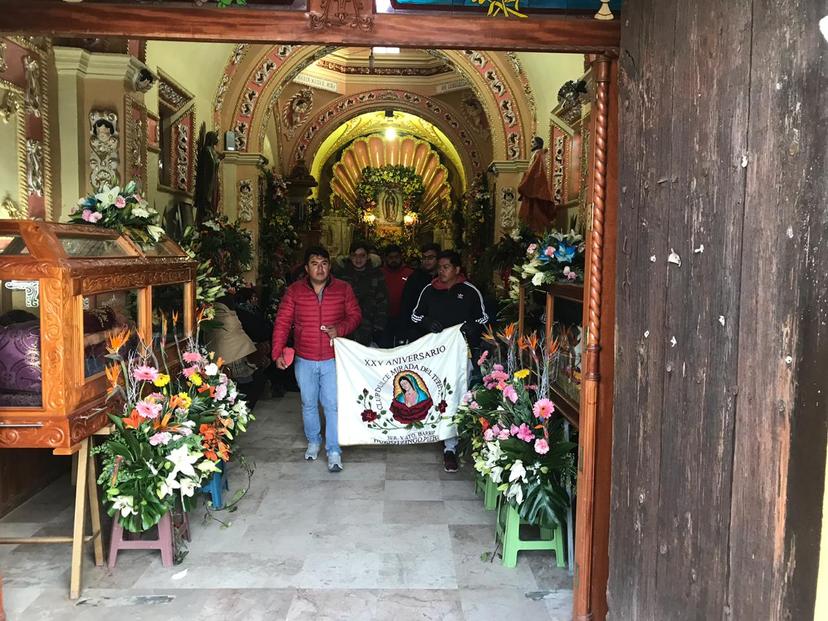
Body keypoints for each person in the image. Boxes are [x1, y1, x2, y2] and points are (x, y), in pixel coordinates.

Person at [271, 245, 361, 473]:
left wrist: (339, 328)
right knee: (308, 403)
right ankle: (313, 440)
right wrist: (277, 351)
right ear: (306, 268)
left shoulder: (343, 288)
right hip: (305, 357)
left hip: (332, 357)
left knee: (332, 405)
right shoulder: (294, 291)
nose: (319, 268)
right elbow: (282, 322)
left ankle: (333, 450)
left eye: (323, 263)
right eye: (314, 263)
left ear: (329, 266)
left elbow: (355, 316)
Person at [411, 250, 489, 473]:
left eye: (446, 267)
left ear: (457, 269)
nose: (441, 271)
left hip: (459, 353)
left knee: (455, 394)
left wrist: (471, 326)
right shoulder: (429, 290)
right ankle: (434, 428)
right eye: (440, 267)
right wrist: (427, 322)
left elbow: (483, 317)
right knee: (434, 390)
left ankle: (450, 446)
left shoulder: (470, 291)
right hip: (434, 353)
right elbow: (414, 316)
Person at [335, 240, 389, 347]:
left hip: (370, 325)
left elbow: (383, 301)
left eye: (362, 255)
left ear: (368, 256)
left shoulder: (376, 274)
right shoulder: (341, 275)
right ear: (350, 257)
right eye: (354, 255)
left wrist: (378, 327)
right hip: (346, 326)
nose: (358, 259)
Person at [400, 242, 440, 343]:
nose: (427, 261)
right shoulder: (415, 278)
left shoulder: (444, 278)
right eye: (424, 258)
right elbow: (406, 305)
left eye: (430, 258)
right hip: (417, 329)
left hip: (441, 329)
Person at [517, 136, 556, 233]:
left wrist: (525, 184)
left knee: (535, 215)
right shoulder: (536, 154)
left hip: (534, 189)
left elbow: (534, 173)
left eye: (532, 142)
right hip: (531, 189)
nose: (531, 144)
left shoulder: (538, 154)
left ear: (537, 144)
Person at [380, 243, 413, 348]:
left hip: (404, 319)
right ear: (385, 258)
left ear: (401, 257)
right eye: (390, 257)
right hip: (383, 319)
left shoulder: (410, 273)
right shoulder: (379, 273)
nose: (393, 260)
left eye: (396, 257)